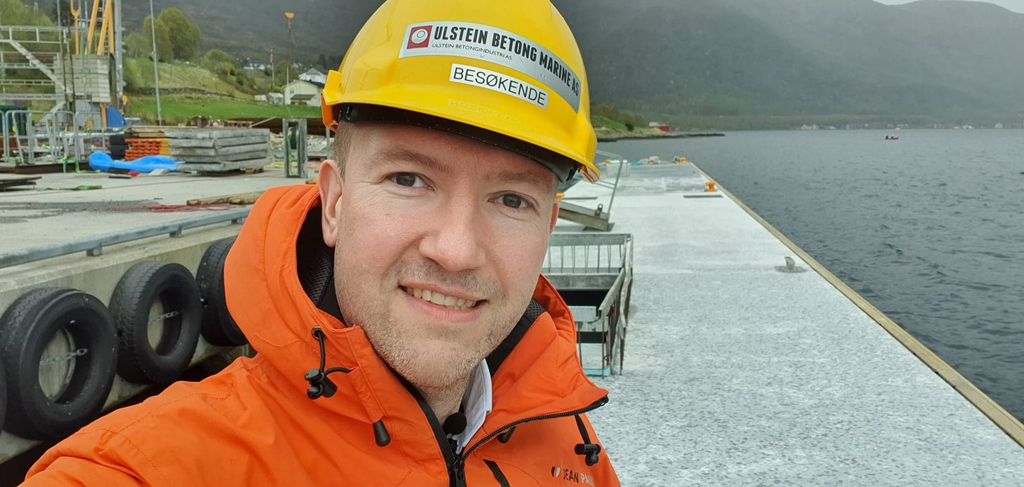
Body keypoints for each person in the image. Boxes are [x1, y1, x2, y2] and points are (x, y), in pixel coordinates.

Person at [23, 0, 618, 484]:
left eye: (512, 199)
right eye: (409, 179)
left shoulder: (570, 447)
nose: (456, 250)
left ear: (548, 228)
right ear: (334, 204)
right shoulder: (151, 468)